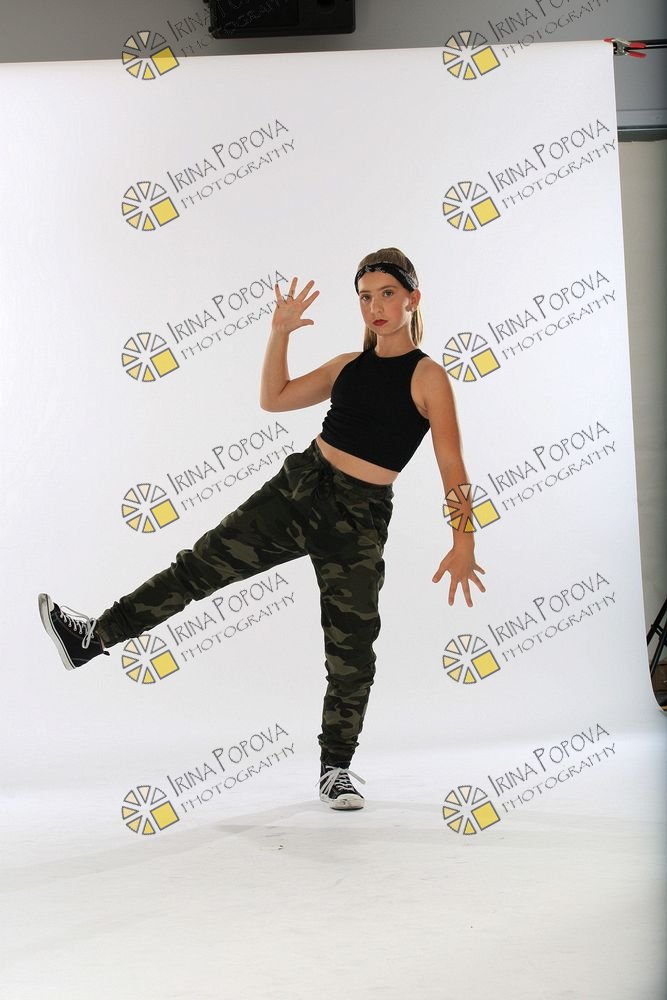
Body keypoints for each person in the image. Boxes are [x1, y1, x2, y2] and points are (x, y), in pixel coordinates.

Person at [39, 247, 485, 810]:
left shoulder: (429, 377)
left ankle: (335, 769)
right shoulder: (347, 366)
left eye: (387, 294)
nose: (375, 307)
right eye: (365, 297)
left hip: (358, 520)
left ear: (412, 299)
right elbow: (274, 398)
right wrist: (280, 333)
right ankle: (93, 638)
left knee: (352, 651)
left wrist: (464, 541)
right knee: (197, 568)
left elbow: (453, 465)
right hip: (298, 490)